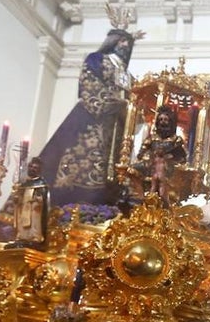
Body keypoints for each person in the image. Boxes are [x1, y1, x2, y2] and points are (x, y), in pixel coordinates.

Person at [38, 18, 143, 206]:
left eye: (129, 42)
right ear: (113, 41)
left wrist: (134, 111)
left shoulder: (128, 75)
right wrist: (113, 103)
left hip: (118, 126)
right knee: (86, 161)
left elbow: (135, 99)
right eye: (122, 40)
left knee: (118, 168)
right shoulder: (97, 59)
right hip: (93, 120)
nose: (126, 45)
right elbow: (89, 85)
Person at [132, 105, 188, 203]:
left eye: (165, 120)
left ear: (170, 122)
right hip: (151, 164)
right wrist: (146, 156)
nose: (163, 122)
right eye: (161, 119)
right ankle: (141, 197)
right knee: (132, 170)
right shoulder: (152, 138)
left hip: (169, 166)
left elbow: (182, 157)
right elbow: (141, 153)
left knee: (162, 180)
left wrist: (170, 157)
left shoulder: (176, 140)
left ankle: (164, 200)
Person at [12, 157, 50, 249]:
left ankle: (34, 237)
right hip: (24, 207)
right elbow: (19, 197)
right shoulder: (24, 183)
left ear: (39, 170)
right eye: (31, 167)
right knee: (22, 221)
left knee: (34, 222)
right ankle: (22, 236)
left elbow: (43, 198)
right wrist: (17, 199)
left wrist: (37, 200)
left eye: (35, 168)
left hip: (35, 209)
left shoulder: (41, 183)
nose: (32, 169)